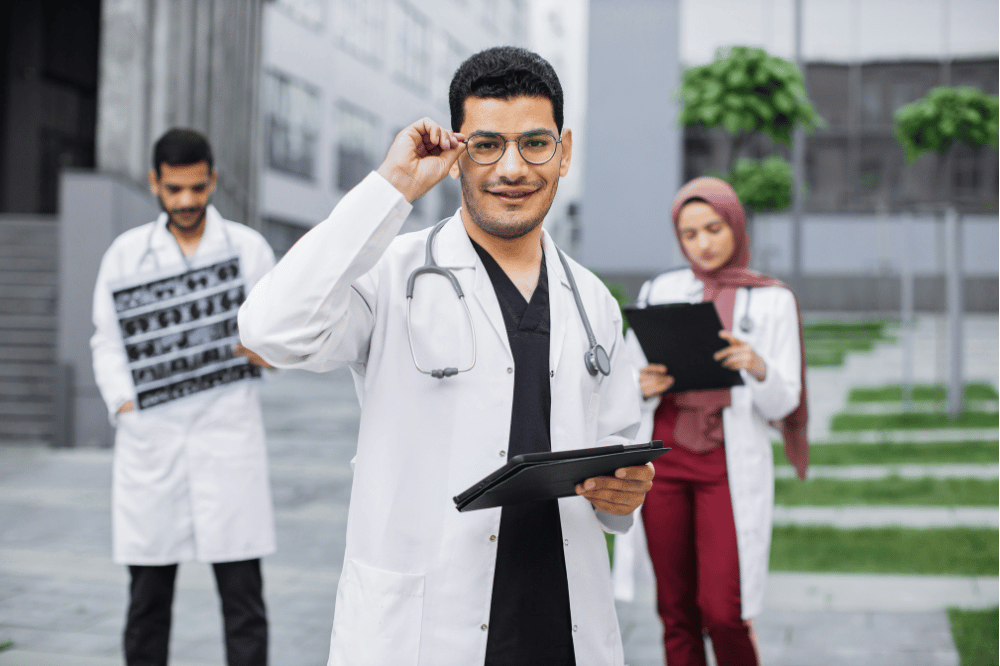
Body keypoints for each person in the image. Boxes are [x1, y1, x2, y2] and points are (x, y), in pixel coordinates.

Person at [238, 46, 653, 666]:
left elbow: (618, 439)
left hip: (560, 624)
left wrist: (625, 491)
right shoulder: (392, 275)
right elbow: (272, 329)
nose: (512, 168)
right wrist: (392, 187)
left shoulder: (592, 298)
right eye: (486, 144)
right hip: (427, 627)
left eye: (535, 143)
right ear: (457, 152)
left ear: (564, 151)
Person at [90, 128, 277, 666]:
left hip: (227, 435)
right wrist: (123, 402)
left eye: (197, 188)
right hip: (154, 440)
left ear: (213, 179)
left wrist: (265, 350)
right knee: (147, 601)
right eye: (174, 190)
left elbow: (280, 333)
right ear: (155, 183)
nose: (188, 201)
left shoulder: (247, 249)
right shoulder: (126, 255)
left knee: (243, 599)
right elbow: (105, 340)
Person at [612, 176, 809, 666]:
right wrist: (641, 385)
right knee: (674, 609)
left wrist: (758, 367)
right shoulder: (661, 288)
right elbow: (626, 377)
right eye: (690, 234)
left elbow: (785, 404)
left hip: (727, 463)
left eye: (714, 228)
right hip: (664, 462)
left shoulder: (773, 299)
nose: (703, 243)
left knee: (723, 611)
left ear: (736, 225)